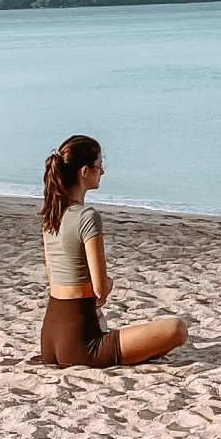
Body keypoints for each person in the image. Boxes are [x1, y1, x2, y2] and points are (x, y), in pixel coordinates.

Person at [37, 135, 189, 367]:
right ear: (84, 171)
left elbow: (52, 274)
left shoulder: (51, 215)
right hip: (81, 343)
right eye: (99, 166)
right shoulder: (87, 217)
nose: (103, 172)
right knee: (177, 329)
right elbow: (100, 289)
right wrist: (110, 283)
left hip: (50, 338)